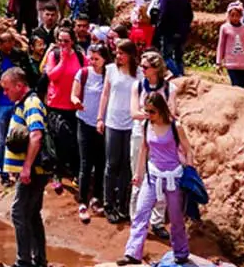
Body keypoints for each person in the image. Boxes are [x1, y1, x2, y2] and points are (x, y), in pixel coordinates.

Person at [116, 94, 195, 266]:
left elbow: (188, 150)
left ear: (161, 110)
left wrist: (190, 173)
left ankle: (181, 252)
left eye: (152, 111)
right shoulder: (146, 125)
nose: (148, 114)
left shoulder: (175, 127)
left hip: (173, 177)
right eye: (146, 111)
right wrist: (138, 173)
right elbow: (144, 149)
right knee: (141, 213)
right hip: (153, 176)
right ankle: (133, 253)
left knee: (176, 218)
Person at [0, 68, 48, 267]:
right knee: (31, 214)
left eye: (7, 89)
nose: (5, 93)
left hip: (33, 172)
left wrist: (26, 167)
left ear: (19, 86)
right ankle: (38, 260)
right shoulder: (24, 103)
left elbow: (36, 135)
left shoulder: (31, 103)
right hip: (31, 171)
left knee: (19, 213)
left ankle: (24, 262)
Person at [129, 51, 174, 232]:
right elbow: (133, 113)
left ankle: (157, 221)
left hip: (162, 138)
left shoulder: (170, 89)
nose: (142, 69)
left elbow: (172, 114)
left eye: (145, 67)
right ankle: (136, 219)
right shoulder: (138, 86)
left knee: (160, 179)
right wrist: (156, 115)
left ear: (156, 69)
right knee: (137, 177)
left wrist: (147, 115)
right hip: (140, 134)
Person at [0, 30, 31, 186]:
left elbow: (27, 74)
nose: (10, 45)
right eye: (7, 42)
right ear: (0, 44)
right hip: (0, 104)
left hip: (18, 103)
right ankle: (3, 173)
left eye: (12, 41)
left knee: (19, 136)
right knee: (1, 140)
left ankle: (16, 171)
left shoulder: (19, 56)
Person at [97, 40, 139, 225]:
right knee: (111, 164)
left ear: (130, 55)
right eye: (117, 53)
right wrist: (100, 118)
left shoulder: (138, 73)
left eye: (122, 53)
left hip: (131, 123)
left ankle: (123, 204)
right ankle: (108, 204)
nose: (118, 56)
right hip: (113, 122)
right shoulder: (111, 69)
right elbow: (105, 93)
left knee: (126, 166)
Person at [40, 28, 82, 198]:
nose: (63, 44)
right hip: (55, 104)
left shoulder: (79, 56)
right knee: (56, 139)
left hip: (73, 105)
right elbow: (52, 76)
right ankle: (56, 173)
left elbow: (85, 74)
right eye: (60, 41)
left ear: (73, 41)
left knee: (72, 140)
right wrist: (63, 60)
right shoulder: (54, 55)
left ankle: (71, 170)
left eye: (66, 41)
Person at [70, 46, 108, 225]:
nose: (92, 62)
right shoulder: (83, 73)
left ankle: (97, 198)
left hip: (103, 125)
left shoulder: (109, 75)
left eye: (96, 59)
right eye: (91, 59)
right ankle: (83, 201)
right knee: (86, 163)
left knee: (101, 163)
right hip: (84, 122)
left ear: (104, 59)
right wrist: (76, 101)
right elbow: (74, 94)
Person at [154, 0, 193, 78]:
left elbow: (163, 14)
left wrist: (159, 29)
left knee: (166, 56)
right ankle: (181, 74)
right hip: (182, 31)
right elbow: (190, 15)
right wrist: (185, 27)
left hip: (169, 32)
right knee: (179, 56)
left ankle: (178, 75)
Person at [216, 2, 244, 89]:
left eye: (237, 15)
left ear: (241, 16)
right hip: (231, 64)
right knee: (236, 87)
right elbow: (221, 45)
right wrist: (218, 62)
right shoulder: (224, 28)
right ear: (228, 15)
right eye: (232, 15)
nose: (235, 18)